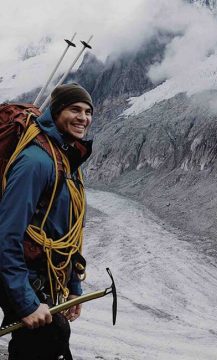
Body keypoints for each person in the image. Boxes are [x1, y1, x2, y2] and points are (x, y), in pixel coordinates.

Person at [0, 83, 94, 360]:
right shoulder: (35, 162)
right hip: (22, 277)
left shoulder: (66, 158)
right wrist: (26, 303)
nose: (83, 118)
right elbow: (7, 235)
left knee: (53, 339)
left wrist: (74, 288)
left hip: (44, 276)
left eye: (88, 111)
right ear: (55, 111)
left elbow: (67, 230)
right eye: (74, 109)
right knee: (49, 337)